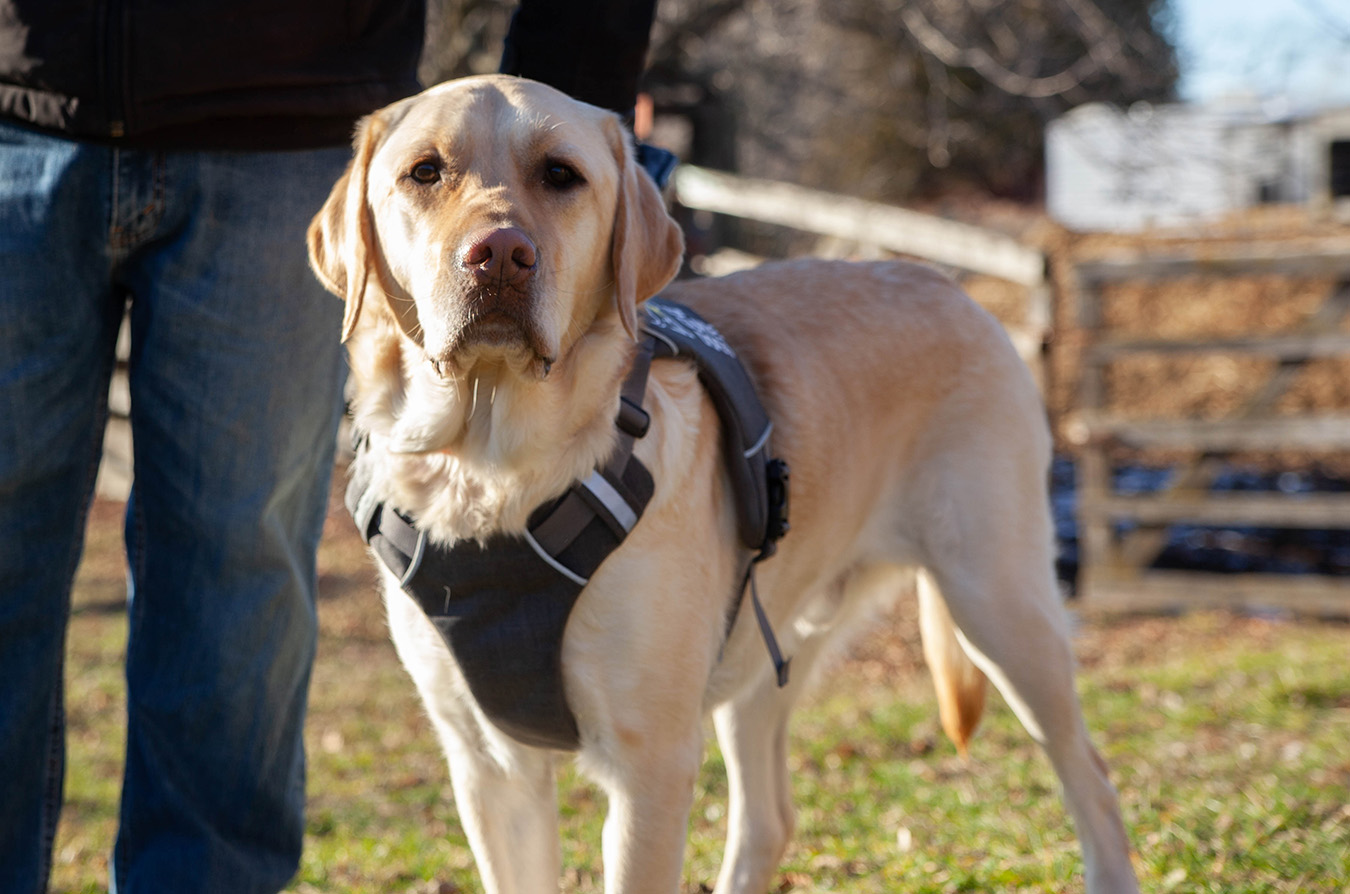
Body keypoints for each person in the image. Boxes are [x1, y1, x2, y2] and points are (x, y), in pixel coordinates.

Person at [0, 2, 660, 891]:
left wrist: (567, 135)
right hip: (16, 108)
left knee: (239, 577)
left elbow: (545, 153)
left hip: (289, 125)